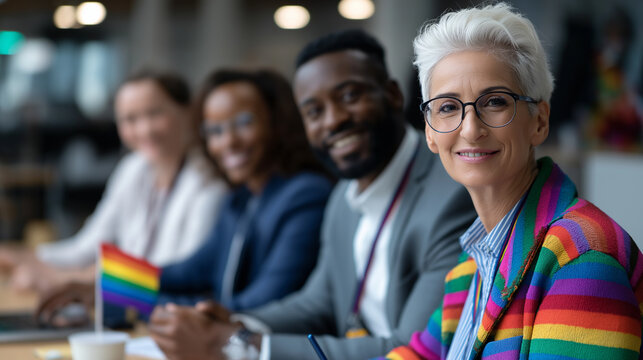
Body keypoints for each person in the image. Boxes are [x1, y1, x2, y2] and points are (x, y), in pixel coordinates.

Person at [148, 29, 476, 360]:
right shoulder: (343, 197)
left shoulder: (453, 194)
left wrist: (245, 346)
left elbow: (411, 348)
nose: (333, 120)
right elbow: (318, 302)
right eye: (314, 111)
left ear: (392, 95)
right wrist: (238, 324)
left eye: (349, 96)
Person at [378, 3, 643, 359]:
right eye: (447, 107)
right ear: (430, 133)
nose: (470, 129)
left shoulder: (581, 256)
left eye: (495, 102)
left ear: (539, 121)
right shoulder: (471, 264)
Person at [37, 69, 333, 321]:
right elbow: (188, 272)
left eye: (243, 123)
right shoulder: (241, 199)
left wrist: (125, 299)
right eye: (214, 130)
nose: (227, 141)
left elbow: (256, 307)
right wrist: (106, 286)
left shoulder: (305, 195)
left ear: (277, 122)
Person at [0, 70, 227, 293]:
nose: (144, 129)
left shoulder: (209, 180)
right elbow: (87, 247)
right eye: (130, 119)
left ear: (188, 111)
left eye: (155, 114)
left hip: (165, 308)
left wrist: (68, 279)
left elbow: (178, 275)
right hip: (127, 305)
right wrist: (22, 256)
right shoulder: (133, 168)